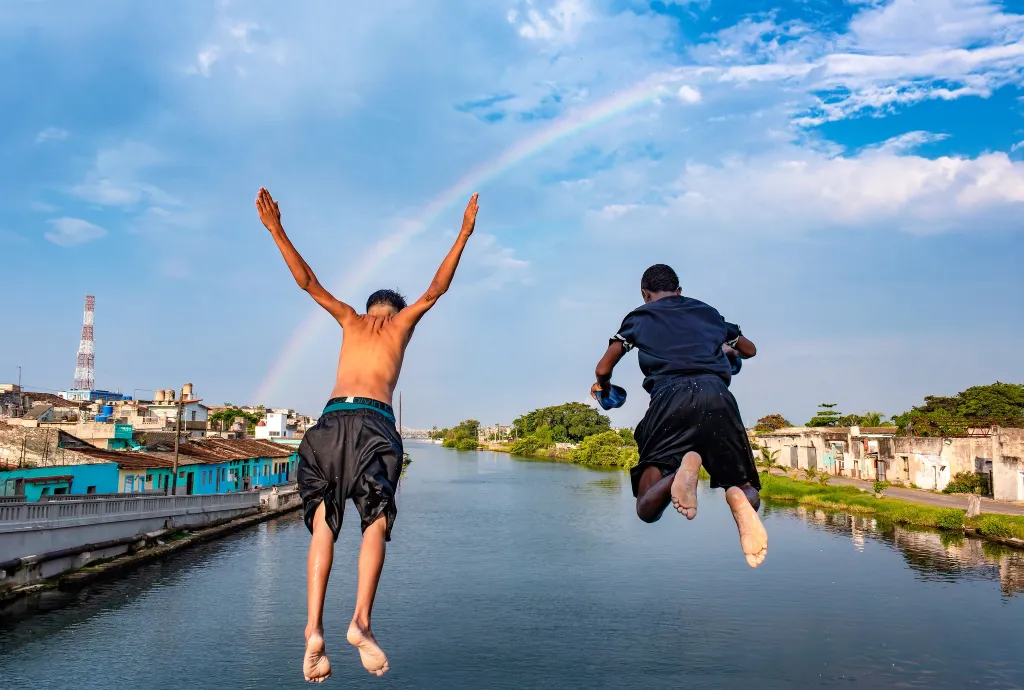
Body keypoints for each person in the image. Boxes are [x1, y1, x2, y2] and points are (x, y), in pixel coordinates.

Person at [255, 187, 480, 682]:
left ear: (366, 307)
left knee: (321, 525)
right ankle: (360, 622)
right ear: (395, 311)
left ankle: (313, 628)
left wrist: (275, 229)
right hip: (374, 426)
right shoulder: (401, 325)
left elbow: (308, 282)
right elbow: (436, 290)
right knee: (374, 522)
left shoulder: (349, 319)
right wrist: (463, 234)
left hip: (327, 425)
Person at [590, 264, 768, 568]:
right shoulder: (709, 314)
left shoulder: (640, 317)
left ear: (645, 294)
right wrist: (729, 348)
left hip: (670, 399)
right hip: (718, 395)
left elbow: (603, 368)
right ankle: (736, 496)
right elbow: (749, 350)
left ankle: (677, 475)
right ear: (680, 292)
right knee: (746, 486)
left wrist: (603, 387)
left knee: (646, 507)